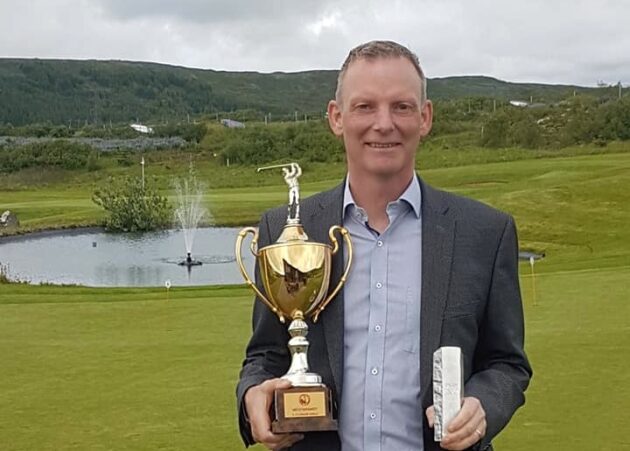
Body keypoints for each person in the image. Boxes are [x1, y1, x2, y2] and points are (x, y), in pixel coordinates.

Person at [236, 40, 532, 451]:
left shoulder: (484, 232)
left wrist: (484, 405)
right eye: (365, 106)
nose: (384, 123)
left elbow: (506, 363)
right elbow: (266, 355)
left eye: (402, 107)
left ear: (425, 118)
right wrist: (253, 395)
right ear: (336, 117)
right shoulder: (287, 231)